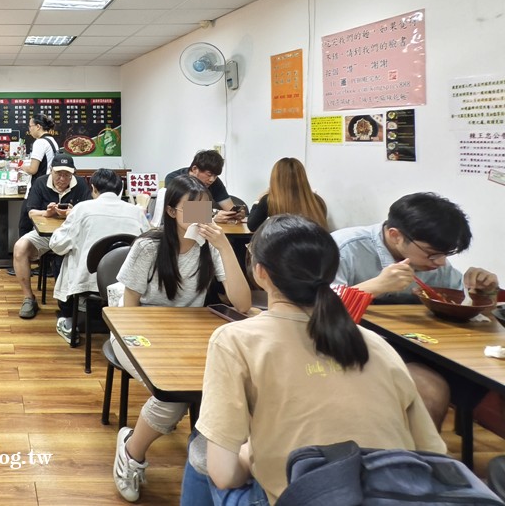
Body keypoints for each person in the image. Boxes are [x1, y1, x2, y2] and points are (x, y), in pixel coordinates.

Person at [179, 215, 446, 506]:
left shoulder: (234, 339)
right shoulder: (375, 344)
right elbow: (432, 453)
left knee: (202, 448)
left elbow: (225, 475)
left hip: (300, 497)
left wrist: (248, 453)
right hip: (395, 495)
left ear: (260, 272)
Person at [112, 175, 251, 502]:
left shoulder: (209, 246)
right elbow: (129, 309)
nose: (202, 215)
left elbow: (242, 304)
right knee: (174, 394)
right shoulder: (149, 246)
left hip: (188, 334)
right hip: (138, 331)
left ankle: (201, 454)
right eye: (192, 208)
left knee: (223, 382)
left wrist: (225, 247)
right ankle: (131, 452)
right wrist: (143, 344)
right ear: (172, 211)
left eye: (205, 208)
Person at [331, 192, 498, 429]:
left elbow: (465, 307)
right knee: (430, 392)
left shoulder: (432, 260)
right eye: (433, 254)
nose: (441, 262)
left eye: (446, 254)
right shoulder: (345, 248)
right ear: (395, 236)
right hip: (350, 344)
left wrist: (485, 292)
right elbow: (317, 309)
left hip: (415, 344)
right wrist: (376, 286)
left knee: (478, 379)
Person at [49, 169, 150, 342]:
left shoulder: (82, 209)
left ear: (94, 188)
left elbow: (58, 245)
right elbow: (146, 244)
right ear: (120, 189)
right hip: (126, 282)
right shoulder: (136, 212)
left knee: (62, 257)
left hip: (88, 280)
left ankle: (68, 317)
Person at [12, 152, 92, 319]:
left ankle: (79, 299)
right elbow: (31, 212)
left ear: (73, 173)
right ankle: (28, 298)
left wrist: (71, 212)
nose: (62, 179)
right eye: (58, 174)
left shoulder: (81, 185)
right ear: (51, 170)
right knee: (20, 248)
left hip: (72, 235)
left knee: (89, 250)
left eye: (67, 175)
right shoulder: (41, 182)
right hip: (45, 234)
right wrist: (47, 213)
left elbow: (88, 213)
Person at [246, 157, 327, 232]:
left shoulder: (270, 201)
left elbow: (252, 226)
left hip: (282, 242)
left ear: (275, 179)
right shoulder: (317, 201)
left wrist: (257, 202)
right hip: (312, 242)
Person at [162, 150, 240, 224]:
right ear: (194, 169)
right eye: (209, 174)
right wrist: (213, 217)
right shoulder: (174, 179)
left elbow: (229, 208)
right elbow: (180, 211)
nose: (212, 179)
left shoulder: (215, 182)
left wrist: (236, 214)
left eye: (215, 176)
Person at [20, 113, 60, 178]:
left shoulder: (40, 142)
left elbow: (32, 170)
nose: (29, 129)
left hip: (42, 181)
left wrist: (21, 167)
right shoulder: (51, 139)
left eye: (30, 126)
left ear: (38, 126)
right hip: (49, 179)